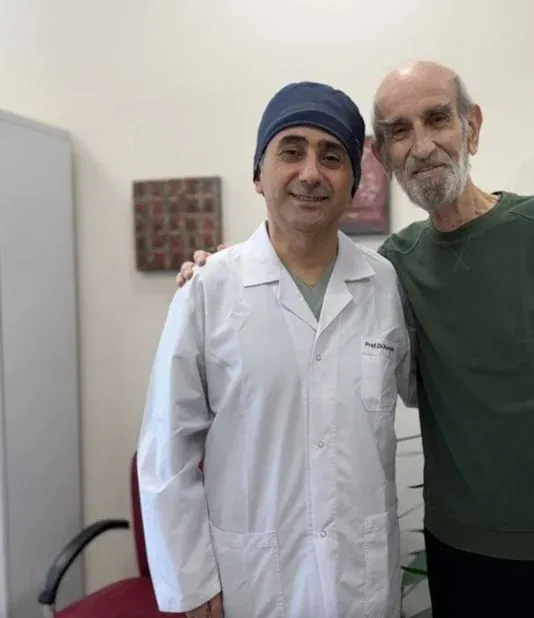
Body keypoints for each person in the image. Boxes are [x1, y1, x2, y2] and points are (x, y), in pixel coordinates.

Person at [178, 61, 534, 617]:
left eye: (437, 119)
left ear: (471, 127)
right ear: (382, 156)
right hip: (463, 549)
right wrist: (226, 266)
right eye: (399, 131)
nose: (423, 145)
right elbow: (311, 289)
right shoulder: (394, 268)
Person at [138, 81, 414, 618]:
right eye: (291, 151)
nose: (311, 172)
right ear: (258, 174)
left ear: (354, 184)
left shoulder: (384, 284)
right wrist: (191, 584)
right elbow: (167, 449)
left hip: (361, 578)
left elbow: (427, 388)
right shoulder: (208, 290)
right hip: (251, 581)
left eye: (332, 156)